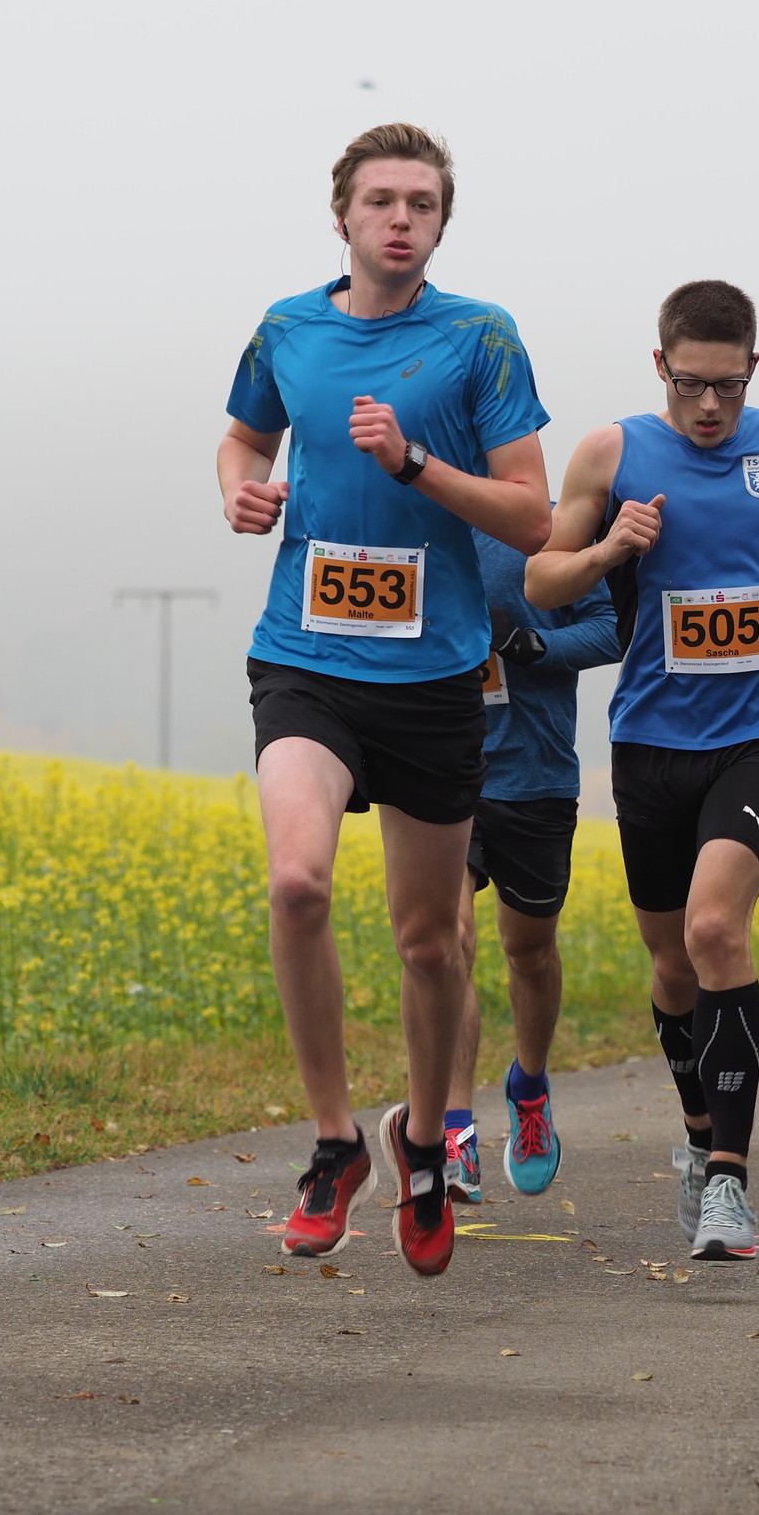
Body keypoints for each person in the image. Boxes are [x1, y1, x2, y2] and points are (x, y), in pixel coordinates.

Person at [217, 123, 551, 1276]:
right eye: (381, 201)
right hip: (304, 657)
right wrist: (241, 491)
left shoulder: (480, 338)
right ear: (343, 217)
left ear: (441, 224)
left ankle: (420, 1139)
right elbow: (242, 439)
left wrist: (416, 465)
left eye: (421, 203)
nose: (400, 219)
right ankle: (333, 1143)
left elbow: (533, 517)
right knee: (296, 881)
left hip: (433, 676)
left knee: (430, 941)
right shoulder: (287, 329)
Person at [526, 279, 759, 1260]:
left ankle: (730, 1184)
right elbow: (542, 579)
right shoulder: (610, 453)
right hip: (651, 737)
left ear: (753, 367)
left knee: (716, 928)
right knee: (671, 965)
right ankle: (700, 1136)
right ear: (659, 366)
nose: (709, 406)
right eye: (689, 385)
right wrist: (608, 550)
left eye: (728, 386)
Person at [442, 532, 619, 1201]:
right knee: (447, 942)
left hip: (535, 776)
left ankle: (529, 1086)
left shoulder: (555, 533)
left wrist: (531, 644)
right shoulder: (418, 518)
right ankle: (453, 1131)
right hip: (441, 769)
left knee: (530, 952)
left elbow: (611, 628)